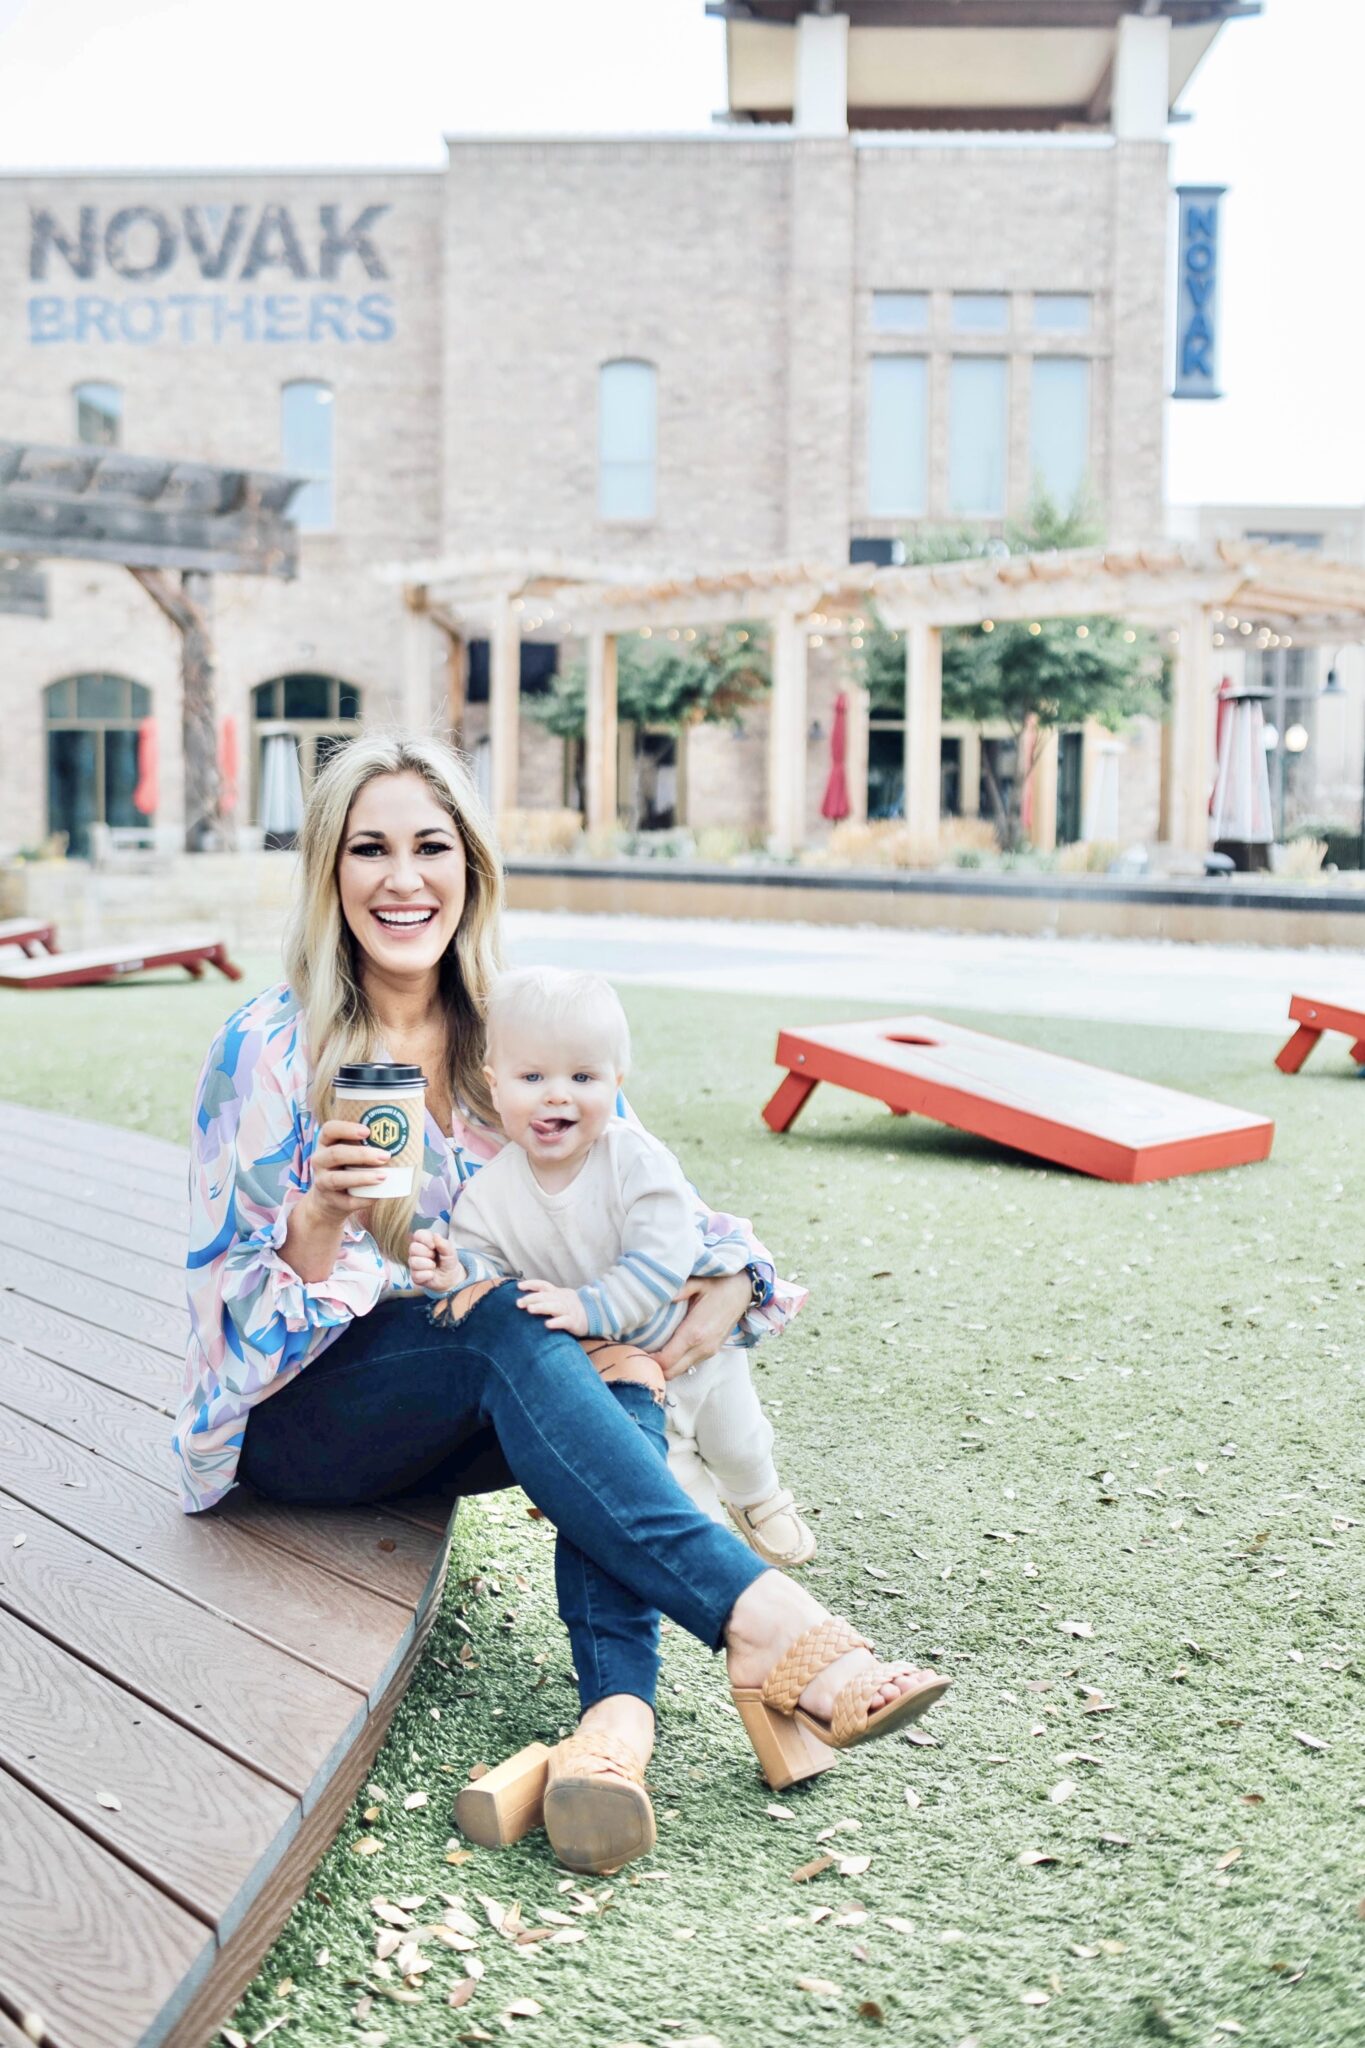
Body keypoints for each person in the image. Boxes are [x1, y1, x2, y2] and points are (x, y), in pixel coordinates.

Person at [175, 732, 948, 1876]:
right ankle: (768, 1623)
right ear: (329, 871)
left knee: (606, 1350)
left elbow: (651, 1191)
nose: (403, 878)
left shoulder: (515, 1036)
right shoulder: (269, 1045)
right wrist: (322, 1223)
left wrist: (732, 1272)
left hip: (465, 1393)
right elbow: (225, 1334)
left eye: (431, 846)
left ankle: (616, 1724)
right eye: (369, 848)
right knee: (504, 1320)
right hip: (296, 1420)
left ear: (471, 869)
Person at [408, 963, 816, 1567]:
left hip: (694, 1350)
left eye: (582, 1075)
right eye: (532, 1076)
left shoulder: (635, 1158)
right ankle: (719, 1560)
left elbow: (664, 1256)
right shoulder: (490, 1195)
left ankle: (758, 1496)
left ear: (615, 1081)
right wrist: (455, 1272)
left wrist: (588, 1306)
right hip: (618, 1377)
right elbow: (487, 1267)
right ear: (494, 1085)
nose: (557, 1093)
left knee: (738, 1440)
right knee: (667, 1480)